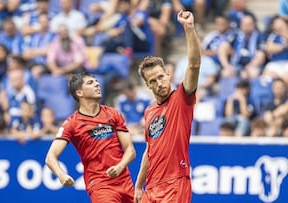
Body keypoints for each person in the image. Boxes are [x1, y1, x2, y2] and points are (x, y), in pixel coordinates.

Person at [134, 10, 201, 203]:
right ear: (147, 85)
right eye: (153, 80)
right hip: (152, 186)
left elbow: (194, 65)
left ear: (168, 74)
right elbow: (150, 150)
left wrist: (188, 28)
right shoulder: (149, 111)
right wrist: (139, 185)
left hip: (175, 184)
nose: (159, 83)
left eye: (161, 77)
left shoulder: (182, 98)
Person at [45, 72, 136, 203]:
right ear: (79, 93)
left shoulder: (113, 114)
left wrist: (120, 166)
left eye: (96, 82)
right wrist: (61, 175)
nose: (97, 84)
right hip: (100, 186)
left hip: (125, 183)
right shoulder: (72, 123)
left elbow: (130, 151)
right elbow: (50, 157)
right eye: (90, 83)